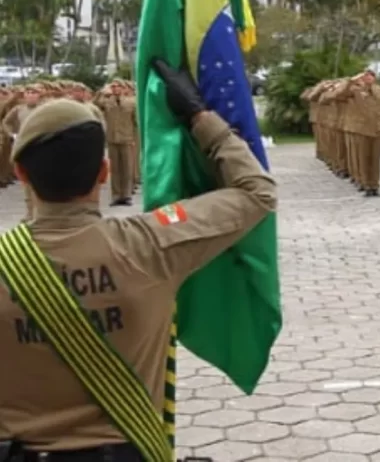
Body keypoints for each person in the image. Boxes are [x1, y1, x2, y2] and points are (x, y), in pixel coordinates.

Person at [0, 59, 276, 460]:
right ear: (104, 172)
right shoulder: (150, 244)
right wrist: (201, 117)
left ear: (21, 173)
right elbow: (256, 193)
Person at [2, 85, 41, 222]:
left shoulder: (43, 110)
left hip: (39, 148)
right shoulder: (18, 110)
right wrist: (12, 135)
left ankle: (39, 213)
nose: (31, 95)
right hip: (24, 148)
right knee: (26, 183)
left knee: (39, 182)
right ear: (24, 96)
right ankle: (30, 213)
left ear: (39, 95)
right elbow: (6, 123)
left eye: (34, 93)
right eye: (28, 93)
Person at [95, 81, 137, 207]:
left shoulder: (131, 102)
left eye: (118, 86)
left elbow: (135, 121)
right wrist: (102, 91)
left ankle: (126, 195)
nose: (116, 89)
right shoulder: (107, 102)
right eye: (113, 87)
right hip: (112, 138)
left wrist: (134, 138)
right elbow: (95, 104)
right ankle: (116, 195)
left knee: (127, 168)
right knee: (115, 169)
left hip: (126, 138)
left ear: (123, 88)